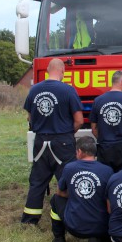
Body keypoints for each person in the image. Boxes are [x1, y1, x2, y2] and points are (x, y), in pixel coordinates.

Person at [21, 58, 84, 225]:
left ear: (48, 70)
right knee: (67, 180)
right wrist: (67, 134)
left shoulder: (34, 90)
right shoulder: (68, 90)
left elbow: (29, 116)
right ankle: (70, 218)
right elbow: (79, 120)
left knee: (37, 181)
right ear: (63, 71)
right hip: (62, 141)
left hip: (40, 140)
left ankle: (29, 220)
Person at [49, 136, 114, 242]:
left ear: (79, 152)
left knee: (55, 199)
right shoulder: (107, 170)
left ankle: (59, 239)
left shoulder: (70, 168)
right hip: (101, 226)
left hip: (75, 227)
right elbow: (109, 197)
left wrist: (75, 195)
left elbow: (60, 192)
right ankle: (97, 237)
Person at [90, 70, 122, 172]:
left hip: (104, 148)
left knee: (105, 179)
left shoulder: (98, 100)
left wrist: (103, 139)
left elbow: (94, 129)